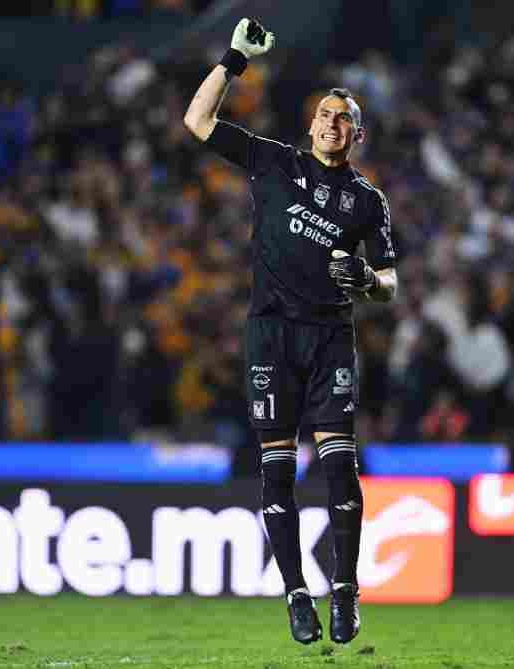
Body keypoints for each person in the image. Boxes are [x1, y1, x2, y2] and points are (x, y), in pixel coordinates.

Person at [183, 18, 398, 646]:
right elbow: (197, 120)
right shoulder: (274, 163)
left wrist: (365, 278)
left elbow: (389, 284)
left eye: (345, 118)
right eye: (325, 114)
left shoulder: (368, 202)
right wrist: (233, 60)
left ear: (357, 135)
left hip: (329, 338)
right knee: (276, 472)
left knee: (340, 469)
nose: (333, 123)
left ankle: (346, 590)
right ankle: (297, 594)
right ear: (311, 125)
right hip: (272, 336)